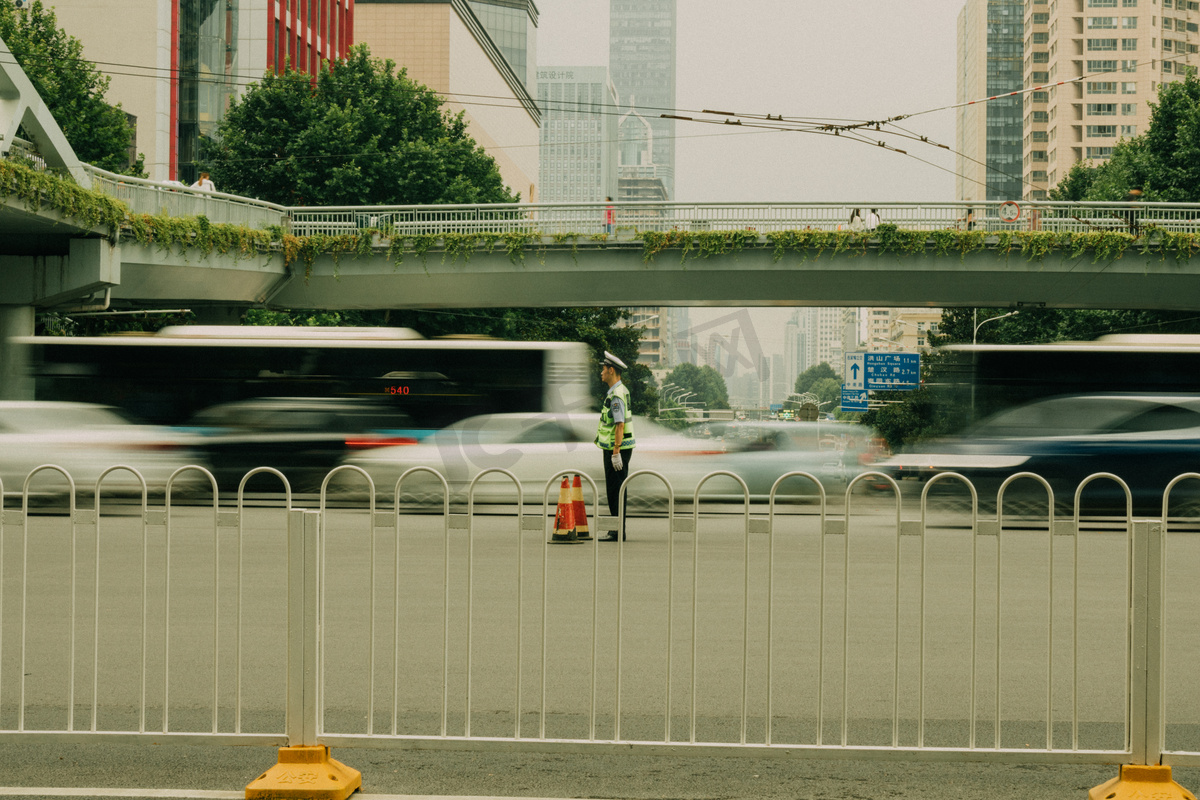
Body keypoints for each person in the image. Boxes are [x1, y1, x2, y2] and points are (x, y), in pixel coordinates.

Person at [596, 351, 635, 542]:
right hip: (616, 447)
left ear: (611, 370)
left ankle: (617, 531)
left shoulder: (617, 395)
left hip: (617, 448)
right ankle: (617, 529)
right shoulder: (618, 391)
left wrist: (616, 452)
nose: (601, 372)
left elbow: (619, 424)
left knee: (615, 490)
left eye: (603, 369)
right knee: (616, 489)